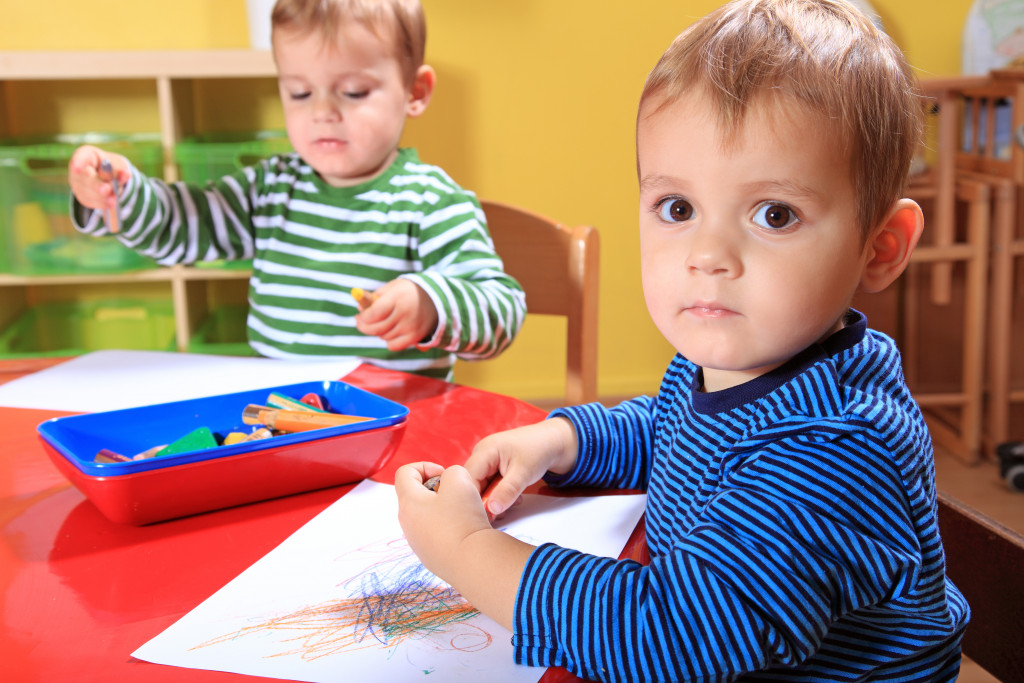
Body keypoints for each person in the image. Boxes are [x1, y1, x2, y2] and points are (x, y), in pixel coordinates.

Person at [394, 0, 970, 680]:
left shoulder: (836, 445)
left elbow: (673, 634)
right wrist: (564, 441)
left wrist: (464, 548)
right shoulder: (734, 361)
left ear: (880, 246)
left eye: (774, 213)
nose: (707, 254)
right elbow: (674, 428)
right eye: (678, 208)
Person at [67, 0, 525, 380]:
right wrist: (121, 194)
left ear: (415, 91)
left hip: (399, 431)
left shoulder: (431, 201)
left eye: (354, 91)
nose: (322, 112)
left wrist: (431, 302)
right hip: (281, 422)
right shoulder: (271, 188)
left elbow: (502, 311)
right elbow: (188, 228)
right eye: (301, 94)